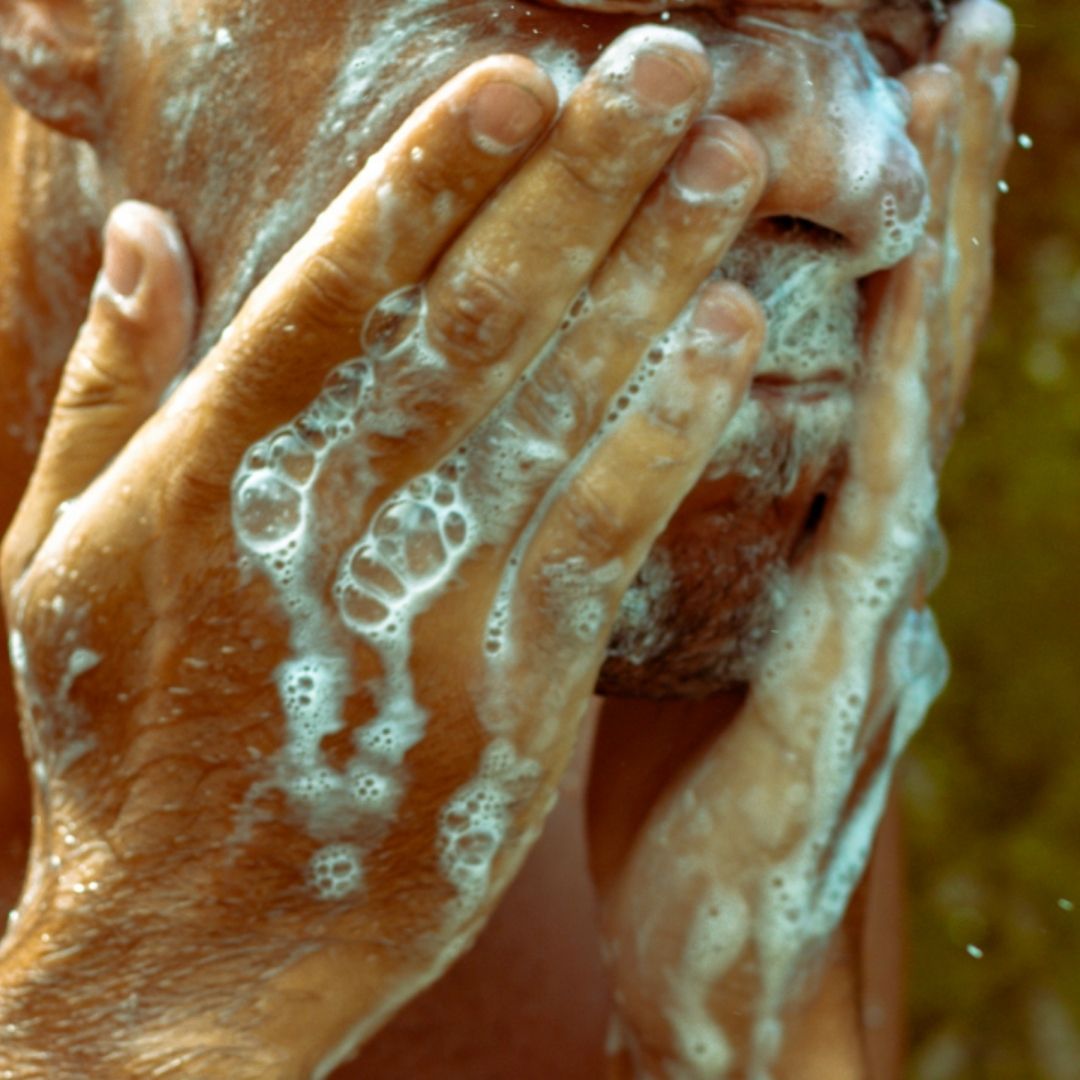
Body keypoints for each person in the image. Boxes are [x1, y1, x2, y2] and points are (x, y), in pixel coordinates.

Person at [0, 0, 1015, 1075]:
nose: (872, 184)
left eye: (898, 28)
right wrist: (151, 1002)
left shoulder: (571, 682)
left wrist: (749, 1045)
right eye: (639, 16)